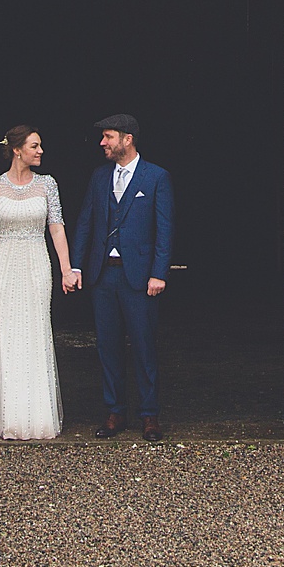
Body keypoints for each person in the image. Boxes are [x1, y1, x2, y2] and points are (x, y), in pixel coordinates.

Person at [0, 126, 81, 440]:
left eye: (40, 145)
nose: (40, 151)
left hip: (36, 264)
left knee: (34, 333)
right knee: (5, 338)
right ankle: (8, 416)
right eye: (35, 145)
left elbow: (56, 227)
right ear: (17, 150)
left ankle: (36, 416)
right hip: (4, 265)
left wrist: (66, 269)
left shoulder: (47, 185)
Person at [70, 113, 174, 441]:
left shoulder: (156, 177)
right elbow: (86, 221)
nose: (103, 143)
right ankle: (115, 412)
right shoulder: (100, 178)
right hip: (103, 276)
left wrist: (159, 273)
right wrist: (75, 266)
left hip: (140, 278)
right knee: (107, 346)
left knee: (144, 346)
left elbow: (164, 229)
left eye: (109, 137)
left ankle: (149, 415)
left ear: (127, 139)